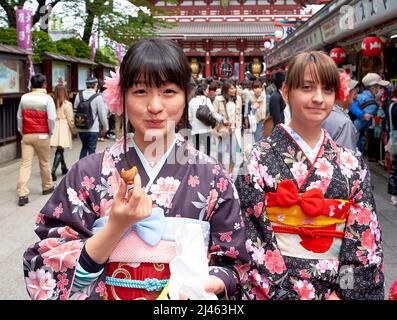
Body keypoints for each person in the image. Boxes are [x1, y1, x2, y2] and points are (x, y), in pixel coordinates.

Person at [22, 38, 249, 300]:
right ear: (122, 96)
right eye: (140, 91)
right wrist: (115, 228)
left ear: (186, 96)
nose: (154, 106)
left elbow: (235, 262)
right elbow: (43, 267)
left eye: (168, 91)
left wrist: (216, 282)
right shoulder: (87, 174)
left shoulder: (212, 177)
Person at [235, 51, 384, 300]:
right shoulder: (256, 158)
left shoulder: (352, 163)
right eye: (306, 87)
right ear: (286, 92)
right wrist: (278, 293)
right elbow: (250, 236)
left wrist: (342, 293)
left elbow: (364, 242)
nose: (318, 98)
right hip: (271, 291)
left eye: (327, 90)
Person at [16, 73, 56, 206]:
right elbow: (51, 118)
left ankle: (22, 194)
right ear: (44, 84)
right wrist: (50, 132)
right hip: (43, 135)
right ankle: (47, 186)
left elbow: (19, 118)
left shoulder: (24, 98)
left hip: (27, 135)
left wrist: (22, 131)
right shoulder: (47, 99)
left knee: (25, 164)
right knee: (44, 162)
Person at [351, 73, 390, 154]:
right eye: (380, 87)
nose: (382, 91)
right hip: (356, 139)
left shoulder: (358, 96)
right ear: (372, 88)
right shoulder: (372, 105)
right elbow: (355, 127)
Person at [322, 72, 359, 151]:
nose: (356, 97)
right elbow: (347, 157)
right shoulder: (344, 123)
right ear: (346, 94)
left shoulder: (321, 111)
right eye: (354, 93)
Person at [74, 77, 109, 159]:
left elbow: (75, 112)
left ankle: (80, 169)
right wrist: (105, 128)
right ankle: (90, 170)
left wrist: (75, 126)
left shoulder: (79, 95)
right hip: (93, 129)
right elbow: (102, 115)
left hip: (81, 127)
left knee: (84, 147)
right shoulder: (98, 97)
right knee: (91, 150)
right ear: (95, 85)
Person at [213, 80, 242, 175]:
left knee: (233, 155)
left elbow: (239, 114)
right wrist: (222, 119)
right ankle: (221, 170)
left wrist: (239, 128)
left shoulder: (238, 99)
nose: (234, 89)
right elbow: (213, 113)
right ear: (226, 89)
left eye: (234, 87)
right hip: (224, 130)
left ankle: (229, 174)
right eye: (231, 88)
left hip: (234, 130)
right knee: (220, 151)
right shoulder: (218, 99)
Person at [50, 83, 77, 181]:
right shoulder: (67, 104)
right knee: (60, 149)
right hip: (63, 127)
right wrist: (73, 130)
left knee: (60, 149)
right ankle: (53, 170)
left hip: (54, 126)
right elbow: (70, 120)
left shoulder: (52, 103)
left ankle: (63, 167)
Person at [188, 82, 220, 156]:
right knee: (207, 151)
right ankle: (206, 166)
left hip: (195, 130)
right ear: (203, 91)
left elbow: (189, 117)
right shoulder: (207, 100)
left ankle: (196, 166)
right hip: (206, 129)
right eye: (207, 90)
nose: (208, 91)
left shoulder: (192, 101)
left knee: (196, 150)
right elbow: (212, 112)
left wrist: (194, 124)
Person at [387, 86, 397, 206]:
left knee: (394, 168)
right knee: (395, 169)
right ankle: (394, 195)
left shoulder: (390, 105)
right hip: (395, 140)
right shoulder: (395, 106)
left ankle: (394, 195)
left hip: (393, 139)